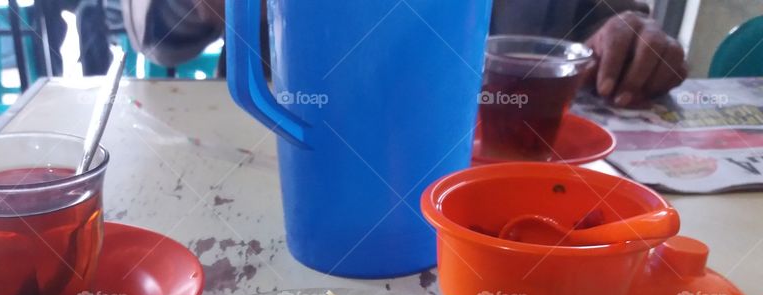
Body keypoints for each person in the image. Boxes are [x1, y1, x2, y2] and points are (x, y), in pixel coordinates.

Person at [120, 0, 687, 106]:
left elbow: (606, 19)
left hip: (497, 184)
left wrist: (630, 32)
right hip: (283, 157)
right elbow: (158, 40)